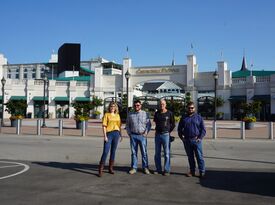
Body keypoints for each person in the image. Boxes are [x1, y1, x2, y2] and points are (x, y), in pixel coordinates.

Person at [177, 101, 206, 178]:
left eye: (192, 108)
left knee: (199, 157)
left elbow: (203, 130)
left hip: (196, 140)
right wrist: (182, 138)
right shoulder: (183, 117)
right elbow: (179, 129)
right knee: (190, 157)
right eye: (189, 108)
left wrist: (200, 138)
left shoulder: (199, 117)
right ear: (187, 108)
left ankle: (202, 171)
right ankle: (192, 171)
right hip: (187, 141)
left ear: (194, 108)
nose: (190, 109)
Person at [126, 100, 152, 175]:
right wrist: (129, 133)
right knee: (134, 153)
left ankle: (145, 167)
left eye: (138, 105)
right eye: (135, 105)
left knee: (144, 152)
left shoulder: (145, 113)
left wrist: (146, 132)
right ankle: (134, 168)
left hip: (142, 136)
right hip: (133, 135)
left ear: (140, 105)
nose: (136, 106)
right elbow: (127, 125)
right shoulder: (130, 114)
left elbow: (148, 124)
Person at [98, 102, 122, 177]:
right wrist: (105, 136)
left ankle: (110, 168)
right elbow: (104, 126)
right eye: (111, 106)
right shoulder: (106, 115)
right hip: (109, 134)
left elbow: (119, 125)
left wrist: (121, 135)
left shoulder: (118, 115)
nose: (112, 107)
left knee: (113, 152)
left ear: (116, 108)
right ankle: (101, 168)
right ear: (109, 107)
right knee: (105, 151)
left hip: (116, 134)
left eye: (114, 106)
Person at [153, 99, 175, 176]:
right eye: (160, 104)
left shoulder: (170, 113)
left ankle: (166, 170)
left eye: (163, 104)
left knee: (166, 153)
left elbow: (173, 124)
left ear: (165, 104)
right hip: (158, 135)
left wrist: (168, 131)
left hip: (166, 135)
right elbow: (155, 122)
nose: (161, 105)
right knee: (157, 153)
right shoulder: (157, 113)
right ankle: (158, 169)